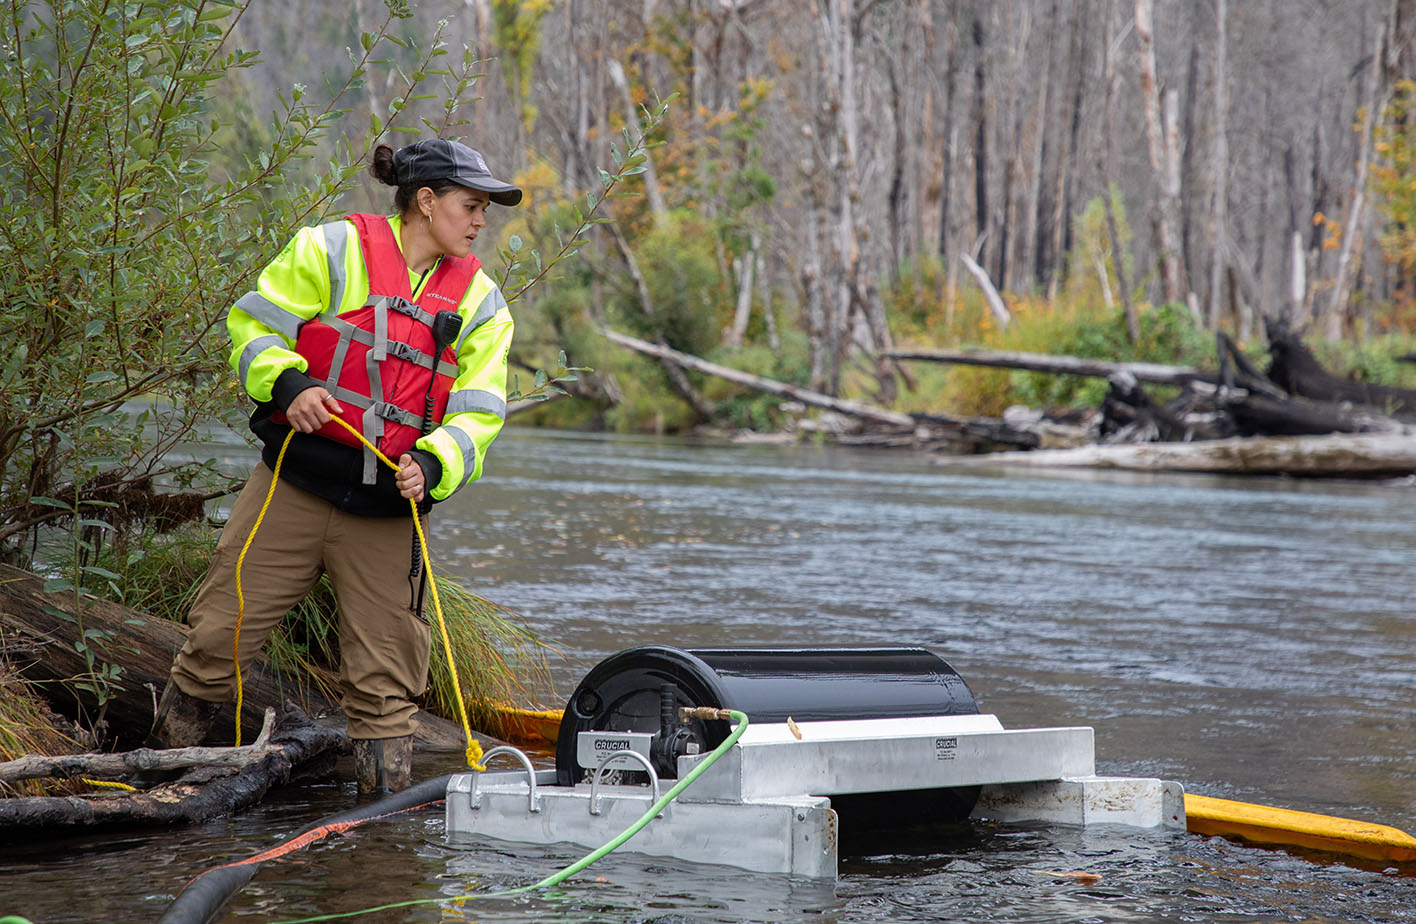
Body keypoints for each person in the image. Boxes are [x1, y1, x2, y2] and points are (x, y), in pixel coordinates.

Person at [152, 138, 522, 794]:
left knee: (385, 696)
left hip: (389, 511)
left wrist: (434, 467)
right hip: (289, 488)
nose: (480, 220)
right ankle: (157, 787)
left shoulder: (484, 305)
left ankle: (379, 848)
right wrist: (287, 385)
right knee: (215, 641)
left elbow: (480, 415)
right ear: (426, 201)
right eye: (471, 204)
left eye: (484, 208)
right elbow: (253, 328)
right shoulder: (328, 248)